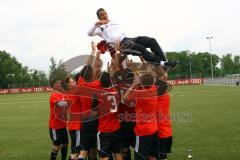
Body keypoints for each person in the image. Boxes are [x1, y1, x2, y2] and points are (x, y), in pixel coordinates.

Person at [88, 8, 178, 69]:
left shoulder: (112, 22)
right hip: (121, 45)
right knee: (140, 49)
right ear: (99, 17)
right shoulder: (99, 29)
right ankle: (161, 64)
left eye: (105, 13)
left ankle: (165, 61)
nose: (105, 16)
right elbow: (89, 33)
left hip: (127, 38)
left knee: (151, 40)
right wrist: (97, 24)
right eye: (102, 15)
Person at [48, 81, 69, 160]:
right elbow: (61, 104)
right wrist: (70, 99)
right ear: (54, 85)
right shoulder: (54, 95)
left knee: (65, 144)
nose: (61, 84)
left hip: (63, 125)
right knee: (57, 145)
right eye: (59, 83)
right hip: (55, 126)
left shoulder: (64, 94)